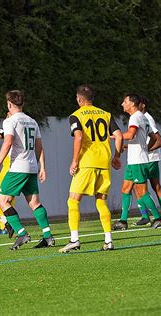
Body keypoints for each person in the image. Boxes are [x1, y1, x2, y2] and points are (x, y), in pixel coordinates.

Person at [59, 85, 123, 253]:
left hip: (87, 163)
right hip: (104, 163)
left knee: (73, 200)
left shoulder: (76, 115)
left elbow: (78, 137)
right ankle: (108, 240)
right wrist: (116, 157)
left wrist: (74, 161)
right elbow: (119, 135)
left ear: (79, 99)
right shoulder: (105, 114)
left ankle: (74, 239)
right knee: (101, 201)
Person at [0, 90, 54, 250]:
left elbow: (8, 142)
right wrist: (42, 167)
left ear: (9, 104)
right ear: (22, 103)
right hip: (32, 167)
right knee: (34, 203)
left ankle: (21, 233)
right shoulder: (32, 121)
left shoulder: (10, 121)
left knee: (2, 200)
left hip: (18, 167)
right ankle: (48, 237)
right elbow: (39, 146)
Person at [113, 94, 161, 231]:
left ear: (132, 104)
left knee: (142, 192)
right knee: (125, 189)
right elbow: (153, 138)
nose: (122, 104)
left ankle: (158, 218)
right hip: (135, 160)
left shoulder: (135, 117)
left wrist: (115, 136)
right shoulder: (142, 117)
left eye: (125, 101)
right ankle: (123, 221)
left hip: (138, 161)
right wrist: (144, 149)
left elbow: (130, 135)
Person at [133, 96, 161, 226]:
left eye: (138, 103)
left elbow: (159, 141)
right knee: (153, 187)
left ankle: (151, 216)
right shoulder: (141, 117)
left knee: (139, 187)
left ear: (142, 105)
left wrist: (145, 149)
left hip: (148, 159)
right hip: (150, 158)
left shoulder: (146, 118)